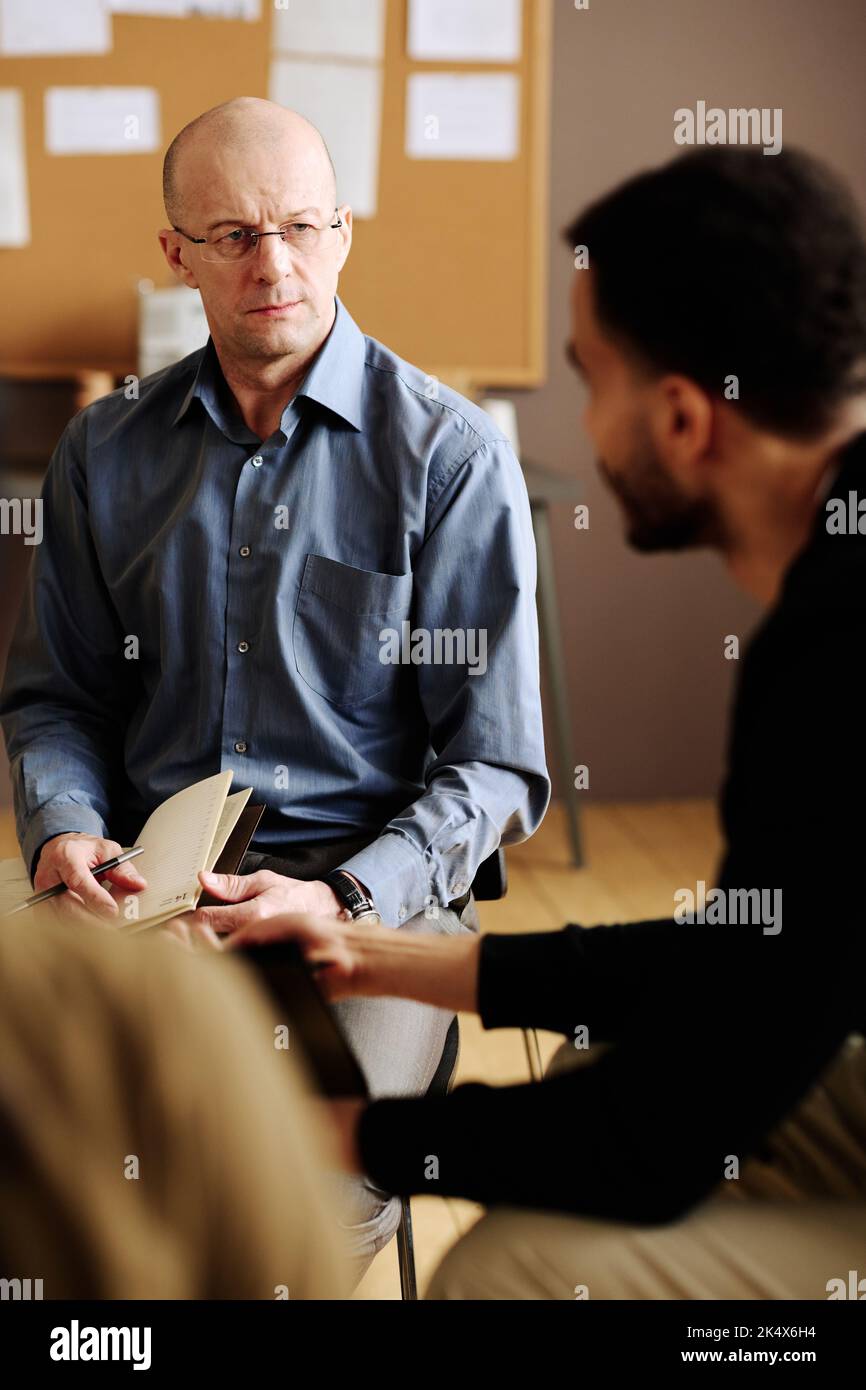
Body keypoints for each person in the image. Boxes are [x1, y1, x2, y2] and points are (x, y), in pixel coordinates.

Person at [197, 146, 866, 1298]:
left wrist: (336, 1138)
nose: (582, 421)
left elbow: (650, 1144)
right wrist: (371, 955)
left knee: (516, 1270)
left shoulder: (830, 657)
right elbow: (771, 961)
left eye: (587, 377)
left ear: (679, 418)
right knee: (604, 1053)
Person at [0, 96, 549, 1275]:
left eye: (303, 226)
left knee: (298, 1184)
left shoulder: (450, 459)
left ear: (344, 230)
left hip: (359, 909)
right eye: (235, 236)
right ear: (175, 255)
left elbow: (495, 767)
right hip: (135, 896)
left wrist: (343, 900)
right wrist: (67, 835)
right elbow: (57, 700)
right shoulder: (106, 452)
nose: (276, 264)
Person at [0, 912, 349, 1299]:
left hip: (356, 901)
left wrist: (349, 894)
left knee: (345, 1199)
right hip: (188, 949)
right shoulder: (170, 995)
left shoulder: (167, 995)